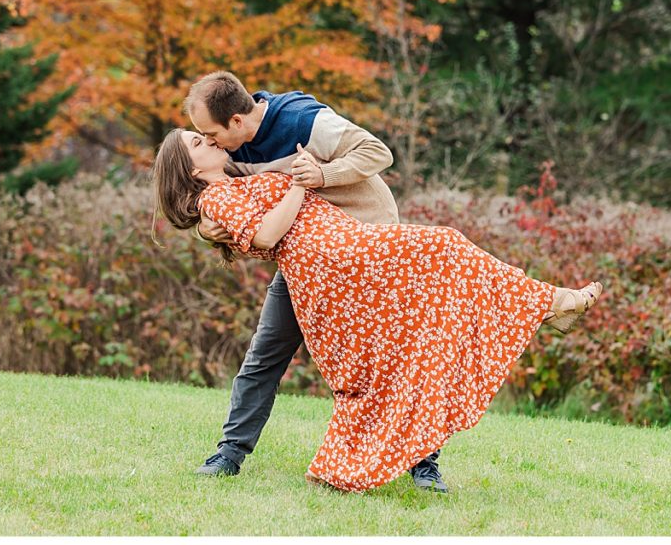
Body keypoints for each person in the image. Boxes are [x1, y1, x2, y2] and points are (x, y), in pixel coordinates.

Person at [153, 127, 603, 493]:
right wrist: (296, 184)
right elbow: (267, 235)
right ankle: (548, 301)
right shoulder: (216, 196)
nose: (207, 138)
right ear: (190, 167)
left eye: (206, 131)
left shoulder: (252, 151)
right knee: (443, 250)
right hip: (334, 258)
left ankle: (546, 305)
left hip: (337, 253)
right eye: (197, 141)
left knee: (411, 330)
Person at [182, 71, 450, 492]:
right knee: (266, 352)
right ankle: (229, 454)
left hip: (367, 243)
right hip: (308, 260)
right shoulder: (230, 149)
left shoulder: (305, 122)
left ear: (236, 121)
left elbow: (378, 152)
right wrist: (205, 229)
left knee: (393, 352)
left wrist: (321, 177)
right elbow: (216, 192)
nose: (209, 142)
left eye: (210, 133)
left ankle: (424, 464)